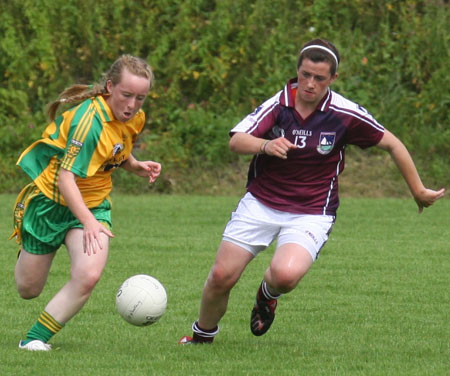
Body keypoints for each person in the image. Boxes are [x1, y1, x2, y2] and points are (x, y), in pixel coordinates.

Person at [178, 38, 445, 344]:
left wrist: (418, 190)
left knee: (285, 276)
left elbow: (392, 143)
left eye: (319, 78)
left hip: (312, 211)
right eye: (304, 74)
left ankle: (268, 294)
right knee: (222, 276)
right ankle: (202, 337)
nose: (309, 83)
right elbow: (236, 140)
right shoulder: (279, 104)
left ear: (333, 79)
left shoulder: (345, 113)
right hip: (261, 203)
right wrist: (265, 144)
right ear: (297, 71)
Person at [11, 55, 162, 351]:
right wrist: (89, 222)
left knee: (89, 275)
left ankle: (34, 339)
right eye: (126, 95)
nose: (132, 105)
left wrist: (135, 165)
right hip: (50, 203)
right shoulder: (89, 121)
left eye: (140, 98)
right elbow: (66, 179)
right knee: (28, 289)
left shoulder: (134, 119)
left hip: (92, 204)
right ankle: (29, 248)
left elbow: (114, 150)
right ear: (110, 87)